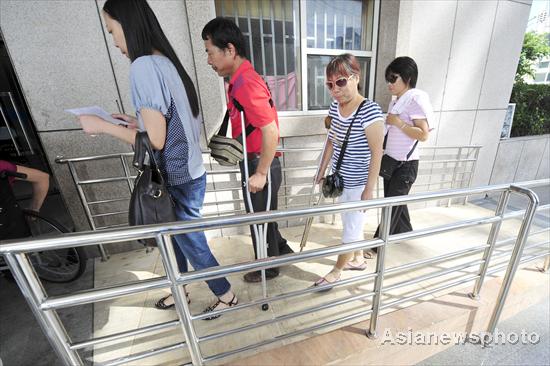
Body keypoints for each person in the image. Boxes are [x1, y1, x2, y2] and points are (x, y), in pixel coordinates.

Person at [77, 0, 236, 319]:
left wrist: (103, 127)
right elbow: (172, 121)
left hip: (176, 176)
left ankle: (226, 294)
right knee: (173, 238)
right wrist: (136, 122)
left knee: (189, 240)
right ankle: (180, 290)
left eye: (112, 31)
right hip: (189, 170)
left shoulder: (144, 66)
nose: (115, 41)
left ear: (126, 23)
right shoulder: (166, 62)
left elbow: (158, 140)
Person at [201, 17, 294, 283]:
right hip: (257, 161)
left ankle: (268, 267)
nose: (209, 60)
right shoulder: (242, 79)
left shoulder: (246, 83)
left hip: (259, 163)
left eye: (210, 52)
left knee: (258, 219)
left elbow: (270, 131)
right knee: (264, 214)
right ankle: (281, 250)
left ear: (229, 49)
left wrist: (261, 172)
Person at [313, 54, 384, 287]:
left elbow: (377, 152)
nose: (335, 90)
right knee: (351, 222)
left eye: (341, 82)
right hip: (340, 179)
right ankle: (357, 259)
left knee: (351, 228)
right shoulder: (335, 107)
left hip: (360, 183)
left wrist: (369, 190)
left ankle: (336, 270)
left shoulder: (369, 111)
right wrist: (321, 171)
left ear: (355, 77)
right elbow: (331, 141)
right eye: (330, 84)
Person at [371, 56, 432, 249]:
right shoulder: (397, 101)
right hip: (392, 161)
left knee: (392, 205)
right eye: (388, 78)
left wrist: (398, 122)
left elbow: (423, 134)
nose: (389, 83)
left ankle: (377, 243)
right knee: (394, 201)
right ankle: (404, 231)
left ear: (407, 77)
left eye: (393, 78)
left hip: (405, 165)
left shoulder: (414, 99)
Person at [0, 160, 50, 240]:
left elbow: (42, 178)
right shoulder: (2, 166)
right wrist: (34, 209)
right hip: (14, 236)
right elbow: (42, 178)